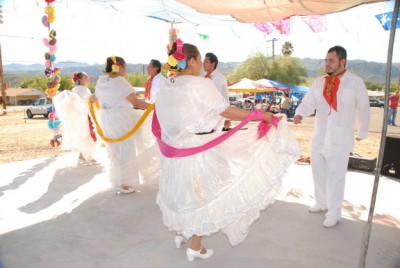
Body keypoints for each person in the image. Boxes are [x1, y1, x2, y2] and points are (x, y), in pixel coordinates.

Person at [155, 42, 300, 261]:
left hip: (174, 149)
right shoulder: (199, 84)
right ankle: (195, 246)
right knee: (202, 195)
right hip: (197, 149)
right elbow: (227, 111)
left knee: (180, 191)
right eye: (200, 60)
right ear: (192, 61)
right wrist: (261, 116)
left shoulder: (168, 84)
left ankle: (179, 234)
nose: (201, 66)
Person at [294, 46, 370, 228]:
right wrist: (300, 113)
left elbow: (364, 107)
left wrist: (362, 131)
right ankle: (321, 202)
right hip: (320, 135)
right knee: (318, 171)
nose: (327, 64)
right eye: (326, 60)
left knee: (336, 176)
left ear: (342, 62)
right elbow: (308, 102)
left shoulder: (355, 82)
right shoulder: (319, 82)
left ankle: (334, 212)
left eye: (331, 60)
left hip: (340, 137)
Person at [91, 56, 158, 194]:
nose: (127, 69)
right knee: (125, 149)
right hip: (120, 118)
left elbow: (94, 98)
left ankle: (117, 180)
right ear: (119, 66)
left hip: (106, 118)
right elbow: (136, 103)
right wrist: (155, 107)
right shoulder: (120, 82)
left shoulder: (101, 81)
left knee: (114, 150)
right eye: (126, 66)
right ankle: (127, 183)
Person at [52, 71, 98, 164]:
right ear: (80, 79)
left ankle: (81, 156)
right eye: (86, 77)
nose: (88, 79)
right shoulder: (83, 89)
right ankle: (90, 157)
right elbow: (84, 100)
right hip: (84, 116)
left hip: (77, 116)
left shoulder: (76, 89)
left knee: (81, 135)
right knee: (87, 135)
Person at [203, 52, 231, 130]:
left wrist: (227, 118)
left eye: (206, 62)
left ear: (213, 64)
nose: (203, 64)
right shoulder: (204, 77)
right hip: (206, 115)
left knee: (213, 137)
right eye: (203, 62)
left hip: (217, 115)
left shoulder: (220, 78)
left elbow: (225, 97)